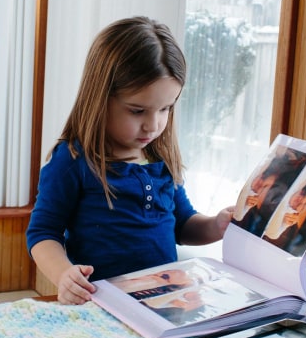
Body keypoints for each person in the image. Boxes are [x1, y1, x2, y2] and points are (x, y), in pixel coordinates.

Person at [26, 16, 234, 305]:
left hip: (165, 303)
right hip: (101, 306)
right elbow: (43, 232)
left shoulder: (160, 158)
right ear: (100, 98)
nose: (153, 125)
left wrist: (216, 226)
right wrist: (64, 275)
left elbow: (183, 224)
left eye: (165, 109)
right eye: (137, 111)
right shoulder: (73, 160)